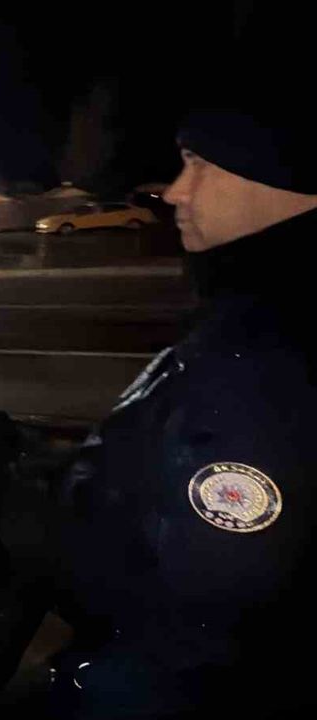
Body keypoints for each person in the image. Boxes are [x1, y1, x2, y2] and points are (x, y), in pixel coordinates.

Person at [55, 95, 317, 716]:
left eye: (199, 165)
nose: (174, 191)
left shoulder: (263, 358)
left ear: (281, 176)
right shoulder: (242, 318)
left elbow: (210, 598)